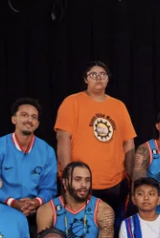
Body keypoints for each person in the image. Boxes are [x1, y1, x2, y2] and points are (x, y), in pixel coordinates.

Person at [55, 61, 136, 216]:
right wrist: (68, 175)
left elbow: (129, 144)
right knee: (79, 226)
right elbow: (63, 139)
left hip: (115, 183)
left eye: (102, 74)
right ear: (85, 79)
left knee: (111, 227)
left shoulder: (119, 106)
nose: (98, 78)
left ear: (108, 79)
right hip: (80, 183)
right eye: (93, 74)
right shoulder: (72, 102)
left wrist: (132, 178)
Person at [0, 97, 58, 218]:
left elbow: (49, 188)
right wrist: (13, 202)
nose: (29, 120)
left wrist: (35, 202)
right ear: (14, 119)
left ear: (37, 124)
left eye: (34, 117)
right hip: (1, 209)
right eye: (24, 115)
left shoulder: (47, 151)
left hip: (35, 212)